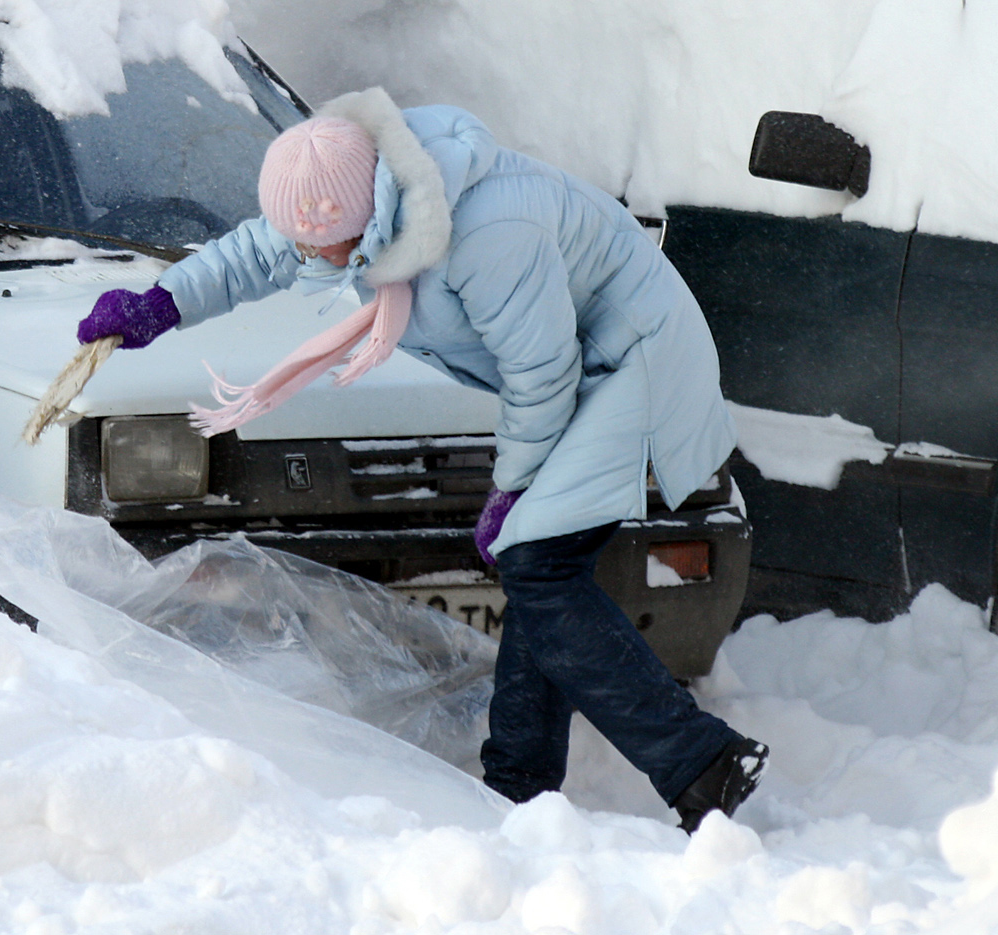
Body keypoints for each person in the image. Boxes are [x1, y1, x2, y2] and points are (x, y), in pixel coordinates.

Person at [73, 88, 769, 830]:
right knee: (538, 563)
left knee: (538, 561)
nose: (304, 258)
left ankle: (702, 762)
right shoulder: (363, 201)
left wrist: (511, 488)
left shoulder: (488, 234)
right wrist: (162, 304)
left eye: (314, 245)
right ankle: (521, 785)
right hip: (582, 367)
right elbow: (260, 249)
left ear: (356, 221)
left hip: (634, 362)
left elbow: (542, 376)